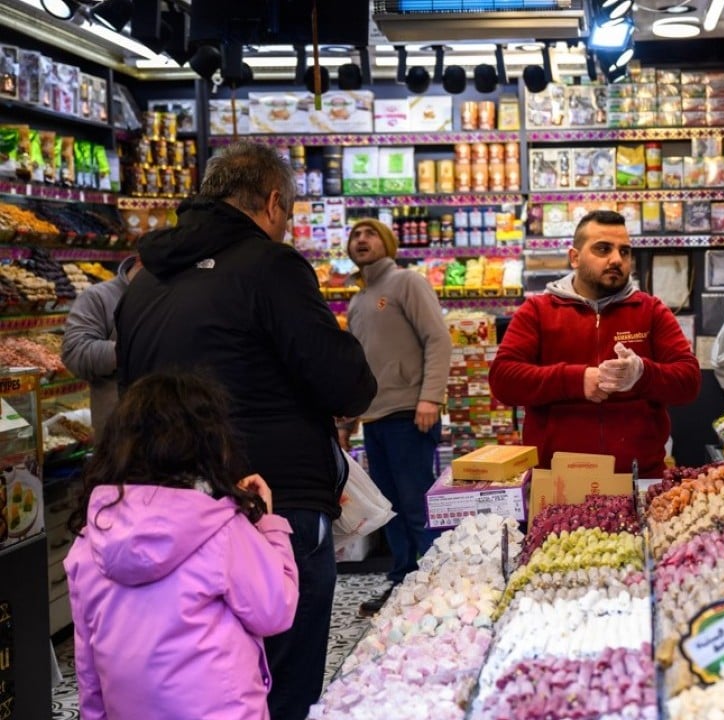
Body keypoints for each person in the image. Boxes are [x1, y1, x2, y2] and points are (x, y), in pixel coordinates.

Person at [115, 141, 377, 720]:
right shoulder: (272, 267)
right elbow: (346, 384)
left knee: (202, 675)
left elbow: (131, 388)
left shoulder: (145, 282)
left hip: (166, 509)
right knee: (282, 677)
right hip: (269, 502)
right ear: (273, 202)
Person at [65, 371, 298, 720]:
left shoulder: (89, 543)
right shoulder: (221, 530)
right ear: (209, 445)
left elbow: (88, 667)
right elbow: (275, 609)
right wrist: (268, 525)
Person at [490, 210, 700, 477]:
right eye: (603, 249)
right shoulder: (538, 311)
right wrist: (576, 381)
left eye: (624, 251)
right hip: (557, 480)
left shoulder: (651, 310)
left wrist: (642, 373)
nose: (616, 259)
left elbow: (689, 381)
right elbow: (503, 380)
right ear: (574, 257)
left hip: (639, 478)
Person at [341, 219, 452, 617]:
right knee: (388, 506)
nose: (362, 239)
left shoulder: (407, 282)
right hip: (375, 417)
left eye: (370, 233)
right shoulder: (358, 301)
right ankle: (403, 579)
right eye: (355, 235)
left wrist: (431, 397)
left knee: (416, 502)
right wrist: (348, 418)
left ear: (387, 242)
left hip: (410, 412)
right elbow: (359, 364)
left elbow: (438, 339)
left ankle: (437, 582)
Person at [60, 254, 142, 440]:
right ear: (140, 261)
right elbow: (75, 352)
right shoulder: (98, 297)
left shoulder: (169, 296)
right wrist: (133, 349)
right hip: (116, 435)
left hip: (166, 432)